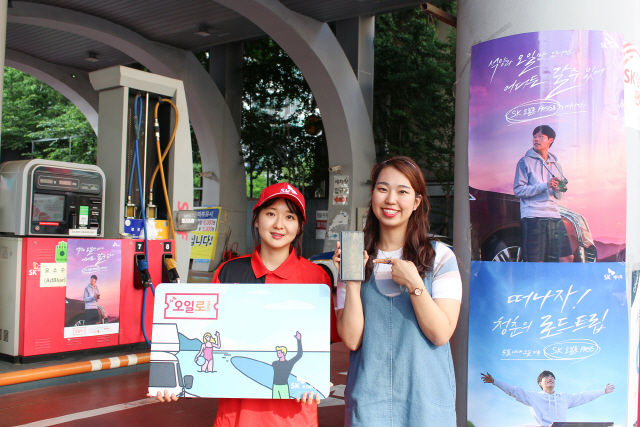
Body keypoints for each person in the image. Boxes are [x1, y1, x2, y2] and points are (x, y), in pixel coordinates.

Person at [149, 182, 339, 427]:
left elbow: (320, 345)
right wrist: (171, 383)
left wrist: (317, 378)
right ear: (256, 220)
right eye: (270, 213)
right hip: (236, 417)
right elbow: (204, 333)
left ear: (300, 226)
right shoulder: (229, 271)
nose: (279, 224)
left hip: (295, 419)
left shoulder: (317, 277)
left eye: (289, 217)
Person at [334, 156, 462, 426]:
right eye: (383, 189)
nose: (390, 199)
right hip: (369, 406)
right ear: (372, 194)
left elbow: (440, 333)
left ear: (416, 201)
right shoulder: (354, 255)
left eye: (402, 191)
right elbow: (352, 340)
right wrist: (353, 280)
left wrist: (416, 285)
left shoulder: (440, 256)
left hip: (426, 405)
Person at [514, 125, 573, 262]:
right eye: (534, 137)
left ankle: (558, 278)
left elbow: (559, 196)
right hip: (533, 215)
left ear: (550, 140)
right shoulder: (524, 162)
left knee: (567, 258)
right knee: (536, 260)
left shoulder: (556, 165)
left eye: (541, 136)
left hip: (553, 215)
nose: (536, 139)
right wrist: (545, 186)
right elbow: (518, 190)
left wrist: (558, 189)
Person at [481, 371, 614, 425]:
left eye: (552, 377)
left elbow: (583, 396)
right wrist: (494, 381)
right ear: (540, 383)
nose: (550, 378)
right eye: (546, 377)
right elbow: (514, 391)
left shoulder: (564, 398)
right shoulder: (533, 397)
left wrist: (603, 391)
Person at [272, 331, 304, 399]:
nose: (278, 354)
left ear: (283, 353)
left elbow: (299, 354)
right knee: (275, 403)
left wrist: (299, 340)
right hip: (275, 386)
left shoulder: (289, 363)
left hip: (284, 386)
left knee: (286, 403)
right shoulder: (274, 363)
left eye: (279, 353)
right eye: (277, 353)